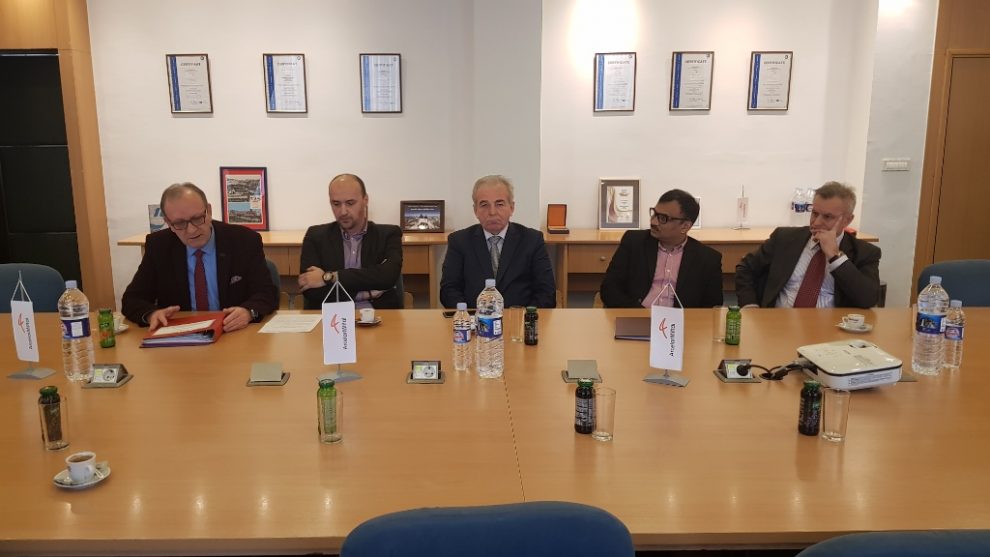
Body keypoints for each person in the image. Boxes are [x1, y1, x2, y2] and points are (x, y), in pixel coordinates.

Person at [122, 182, 277, 331]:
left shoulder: (244, 241)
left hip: (232, 331)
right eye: (180, 223)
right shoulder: (159, 246)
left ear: (208, 211)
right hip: (181, 333)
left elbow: (267, 293)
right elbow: (132, 299)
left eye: (197, 219)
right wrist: (151, 315)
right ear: (168, 223)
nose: (191, 230)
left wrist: (248, 312)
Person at [735, 181, 881, 308]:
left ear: (847, 220)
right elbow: (745, 268)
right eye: (814, 213)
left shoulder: (865, 252)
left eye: (827, 217)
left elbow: (868, 299)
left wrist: (835, 256)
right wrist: (750, 306)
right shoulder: (784, 238)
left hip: (831, 327)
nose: (816, 222)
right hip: (779, 323)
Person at [440, 174, 556, 308]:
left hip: (520, 318)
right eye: (484, 205)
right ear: (475, 210)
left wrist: (525, 316)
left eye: (499, 204)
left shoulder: (532, 240)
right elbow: (449, 290)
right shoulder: (459, 241)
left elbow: (546, 292)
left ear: (511, 207)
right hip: (474, 318)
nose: (492, 212)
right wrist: (469, 316)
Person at [600, 189, 723, 308]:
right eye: (654, 213)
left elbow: (712, 307)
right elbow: (609, 289)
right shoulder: (634, 242)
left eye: (663, 218)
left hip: (682, 320)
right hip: (638, 315)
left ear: (685, 226)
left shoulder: (708, 259)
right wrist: (641, 314)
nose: (653, 222)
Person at [298, 174, 403, 309]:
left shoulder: (388, 234)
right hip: (331, 317)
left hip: (380, 316)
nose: (343, 212)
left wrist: (329, 277)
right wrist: (365, 294)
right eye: (336, 204)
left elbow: (387, 277)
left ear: (365, 200)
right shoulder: (315, 236)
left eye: (350, 203)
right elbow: (310, 290)